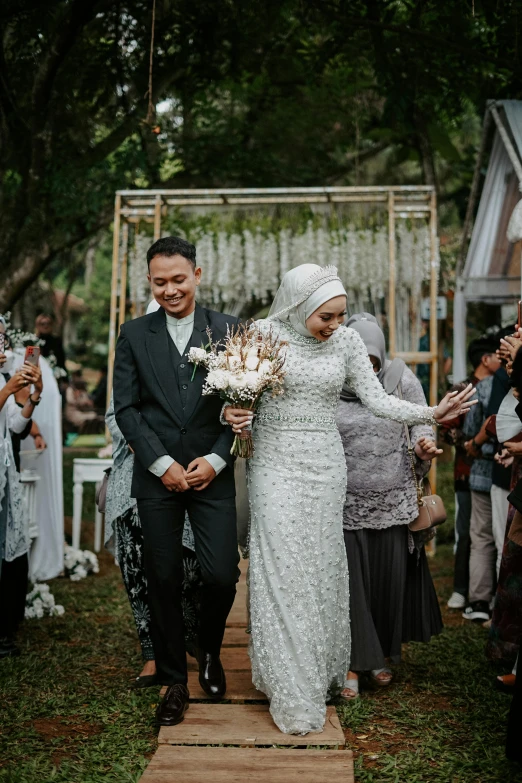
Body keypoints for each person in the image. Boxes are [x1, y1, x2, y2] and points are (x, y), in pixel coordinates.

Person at [224, 263, 476, 735]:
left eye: (341, 315)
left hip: (325, 467)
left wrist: (430, 412)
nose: (336, 325)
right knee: (282, 567)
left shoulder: (346, 342)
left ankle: (314, 672)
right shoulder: (261, 334)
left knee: (318, 569)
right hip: (274, 466)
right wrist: (233, 412)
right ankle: (288, 682)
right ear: (299, 307)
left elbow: (377, 399)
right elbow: (238, 399)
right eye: (327, 317)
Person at [113, 236, 240, 727]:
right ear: (150, 281)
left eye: (178, 279)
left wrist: (217, 458)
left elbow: (248, 405)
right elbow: (126, 407)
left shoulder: (229, 330)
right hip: (157, 477)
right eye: (160, 282)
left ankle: (208, 650)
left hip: (212, 473)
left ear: (197, 275)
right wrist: (159, 462)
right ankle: (174, 681)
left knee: (220, 574)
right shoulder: (134, 333)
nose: (170, 290)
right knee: (162, 577)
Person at [336, 314, 443, 701]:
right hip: (343, 504)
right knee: (352, 587)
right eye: (358, 359)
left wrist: (423, 444)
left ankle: (379, 654)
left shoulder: (401, 379)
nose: (366, 368)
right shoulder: (330, 383)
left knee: (385, 581)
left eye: (372, 360)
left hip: (393, 501)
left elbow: (422, 420)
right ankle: (349, 664)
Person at [105, 393, 202, 687]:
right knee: (138, 565)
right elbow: (115, 414)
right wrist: (151, 451)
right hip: (136, 475)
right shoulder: (137, 349)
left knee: (189, 563)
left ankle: (186, 636)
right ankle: (152, 653)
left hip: (189, 468)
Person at [440, 337, 498, 610]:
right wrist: (469, 443)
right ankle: (462, 590)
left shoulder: (501, 386)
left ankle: (480, 592)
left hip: (483, 468)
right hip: (467, 472)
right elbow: (445, 429)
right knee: (468, 532)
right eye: (496, 354)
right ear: (485, 360)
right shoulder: (464, 388)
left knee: (482, 534)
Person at [0, 320, 43, 658]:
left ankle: (6, 630)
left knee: (11, 552)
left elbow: (16, 425)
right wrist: (7, 389)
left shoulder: (3, 379)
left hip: (5, 476)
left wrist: (33, 398)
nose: (3, 350)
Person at [462, 337, 502, 622]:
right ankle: (500, 605)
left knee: (481, 536)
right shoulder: (509, 386)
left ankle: (478, 600)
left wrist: (475, 445)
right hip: (503, 469)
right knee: (501, 538)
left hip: (481, 468)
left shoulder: (484, 388)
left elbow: (471, 428)